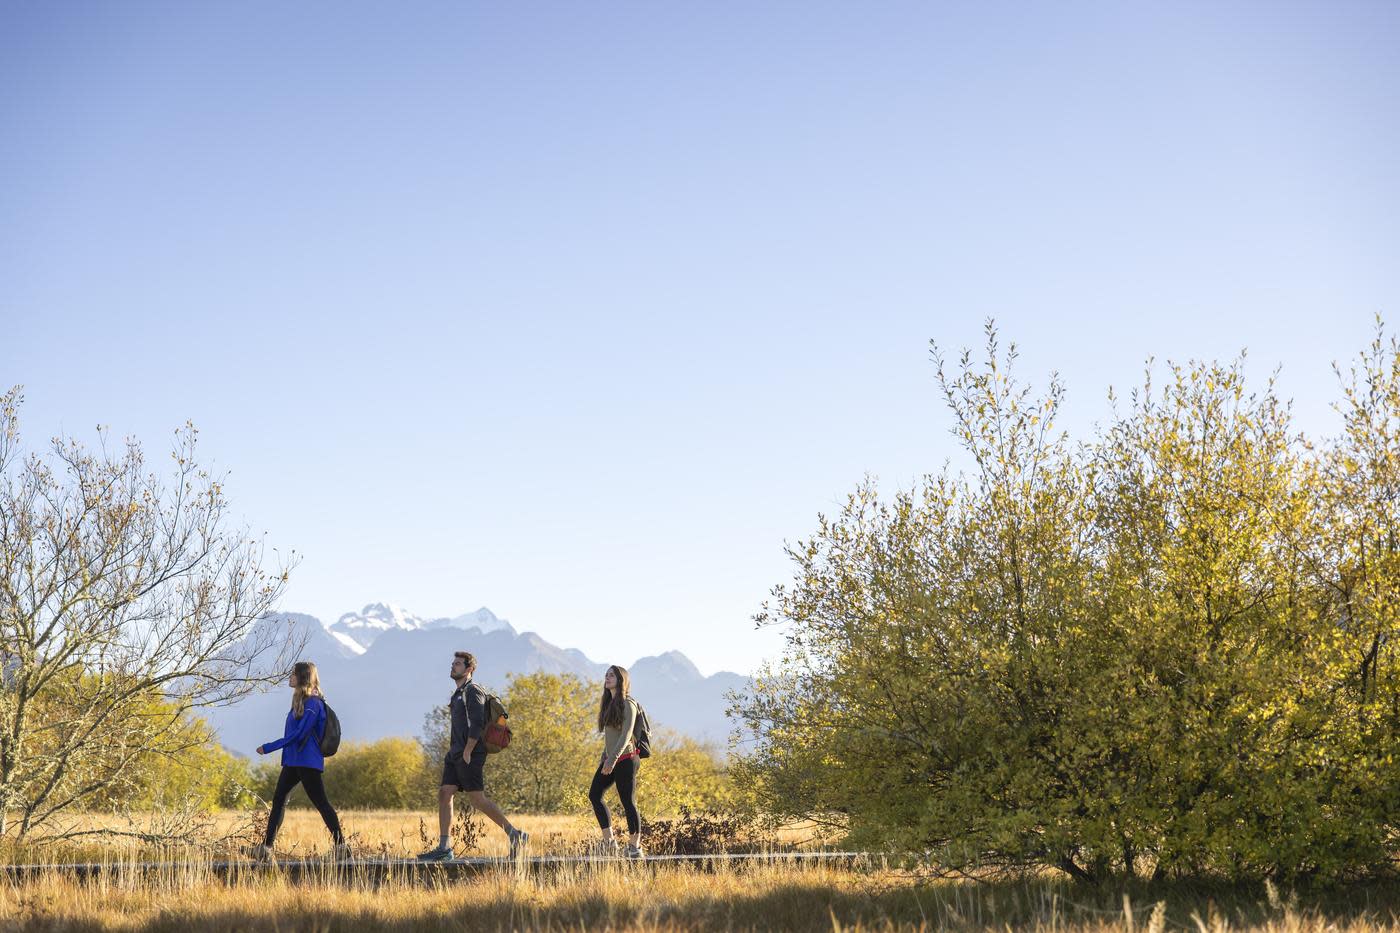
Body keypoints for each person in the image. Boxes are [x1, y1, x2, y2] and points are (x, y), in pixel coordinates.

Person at [417, 651, 529, 860]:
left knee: (477, 799)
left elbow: (477, 723)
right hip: (455, 753)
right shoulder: (457, 693)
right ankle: (444, 849)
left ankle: (515, 835)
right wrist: (455, 751)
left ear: (469, 669)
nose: (453, 666)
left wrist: (468, 750)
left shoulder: (473, 691)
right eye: (453, 663)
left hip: (470, 753)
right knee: (444, 793)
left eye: (458, 664)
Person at [249, 661, 348, 861]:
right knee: (278, 801)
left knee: (321, 803)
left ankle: (342, 848)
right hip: (294, 761)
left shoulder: (313, 704)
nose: (290, 677)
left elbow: (299, 734)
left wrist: (269, 747)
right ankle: (266, 849)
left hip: (307, 761)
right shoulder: (301, 701)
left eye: (293, 674)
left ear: (302, 677)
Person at [588, 664, 643, 858]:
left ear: (621, 680)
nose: (607, 677)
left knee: (628, 801)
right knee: (594, 794)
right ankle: (609, 843)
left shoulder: (628, 704)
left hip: (627, 759)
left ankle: (634, 847)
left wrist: (611, 760)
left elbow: (626, 735)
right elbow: (612, 737)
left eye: (612, 675)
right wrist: (606, 756)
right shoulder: (609, 704)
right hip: (612, 758)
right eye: (606, 675)